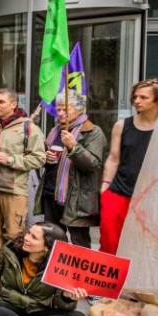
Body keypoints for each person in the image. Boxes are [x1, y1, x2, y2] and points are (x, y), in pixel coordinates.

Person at [0, 88, 46, 259]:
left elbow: (39, 158)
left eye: (1, 102)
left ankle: (12, 271)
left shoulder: (28, 128)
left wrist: (11, 159)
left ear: (13, 104)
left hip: (14, 190)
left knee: (14, 235)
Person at [100, 79, 158, 254]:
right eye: (135, 96)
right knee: (109, 242)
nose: (137, 101)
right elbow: (113, 158)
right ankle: (109, 280)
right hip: (119, 192)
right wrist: (105, 186)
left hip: (153, 198)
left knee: (146, 247)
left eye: (143, 97)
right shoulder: (122, 126)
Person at [38, 93, 107, 248]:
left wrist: (73, 147)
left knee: (79, 244)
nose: (60, 113)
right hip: (51, 194)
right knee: (53, 241)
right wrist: (45, 157)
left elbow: (93, 164)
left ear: (80, 110)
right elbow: (48, 158)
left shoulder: (93, 132)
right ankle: (53, 271)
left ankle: (80, 273)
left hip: (76, 198)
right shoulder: (56, 130)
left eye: (65, 109)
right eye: (58, 109)